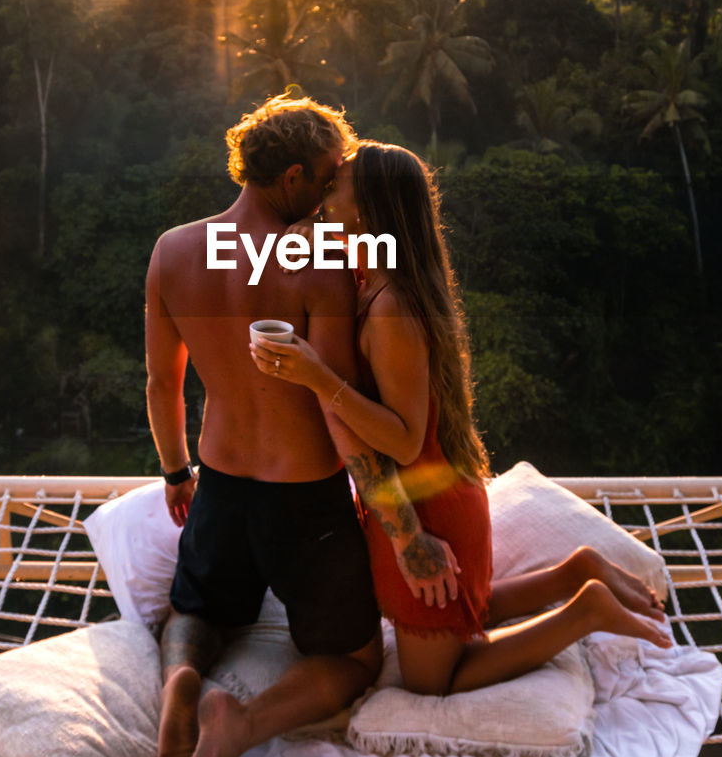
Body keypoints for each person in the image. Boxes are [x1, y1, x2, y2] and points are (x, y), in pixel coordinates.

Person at [251, 141, 670, 697]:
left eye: (336, 185)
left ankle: (583, 611)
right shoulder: (374, 278)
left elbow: (402, 441)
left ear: (371, 209)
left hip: (430, 510)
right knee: (462, 607)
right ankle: (574, 572)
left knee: (431, 680)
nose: (324, 195)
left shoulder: (392, 305)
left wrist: (318, 377)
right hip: (436, 493)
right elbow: (287, 250)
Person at [145, 98, 458, 757]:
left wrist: (175, 472)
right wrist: (407, 535)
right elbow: (339, 415)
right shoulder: (319, 269)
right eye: (323, 184)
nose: (326, 203)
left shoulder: (173, 250)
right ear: (290, 178)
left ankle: (180, 687)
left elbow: (164, 383)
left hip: (219, 484)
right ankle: (241, 724)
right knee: (355, 660)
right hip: (304, 503)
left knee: (194, 611)